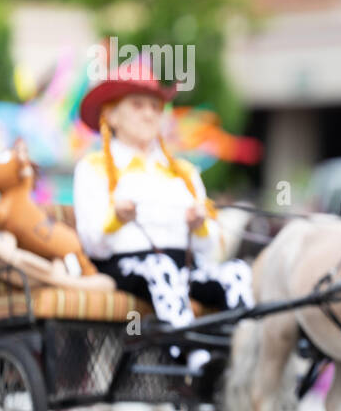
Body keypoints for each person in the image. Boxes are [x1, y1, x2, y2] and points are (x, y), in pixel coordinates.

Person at [72, 60, 253, 373]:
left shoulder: (184, 172)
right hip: (126, 269)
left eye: (156, 107)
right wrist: (116, 218)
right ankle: (196, 359)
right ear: (111, 115)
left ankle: (244, 356)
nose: (149, 114)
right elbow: (92, 244)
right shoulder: (93, 168)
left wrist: (199, 226)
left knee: (236, 273)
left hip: (182, 268)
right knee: (161, 268)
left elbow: (209, 251)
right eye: (138, 105)